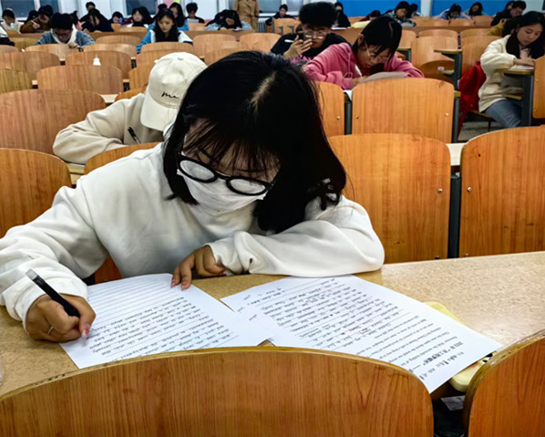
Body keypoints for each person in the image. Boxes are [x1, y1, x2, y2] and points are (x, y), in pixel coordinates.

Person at [0, 51, 384, 342]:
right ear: (184, 126)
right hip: (163, 351)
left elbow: (361, 244)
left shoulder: (297, 183)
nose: (218, 186)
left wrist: (239, 251)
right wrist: (38, 293)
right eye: (202, 160)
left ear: (288, 161)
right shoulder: (130, 181)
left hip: (275, 351)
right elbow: (20, 248)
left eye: (248, 177)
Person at [53, 52, 206, 164]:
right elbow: (66, 140)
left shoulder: (215, 119)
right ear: (147, 91)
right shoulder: (129, 109)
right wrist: (133, 155)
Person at [304, 16, 423, 89]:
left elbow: (417, 77)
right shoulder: (338, 53)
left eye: (382, 57)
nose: (374, 61)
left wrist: (379, 79)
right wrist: (349, 83)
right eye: (373, 54)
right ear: (361, 40)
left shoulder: (387, 60)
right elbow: (307, 74)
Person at [479, 11, 545, 128]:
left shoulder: (539, 49)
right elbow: (486, 60)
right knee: (518, 126)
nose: (531, 37)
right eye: (528, 32)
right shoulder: (500, 44)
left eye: (537, 34)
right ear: (518, 28)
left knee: (537, 125)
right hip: (497, 96)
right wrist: (516, 61)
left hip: (528, 97)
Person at [270, 2, 347, 64]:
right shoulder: (287, 41)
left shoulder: (338, 44)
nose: (314, 36)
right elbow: (266, 67)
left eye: (320, 31)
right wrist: (286, 56)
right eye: (309, 29)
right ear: (303, 26)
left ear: (329, 30)